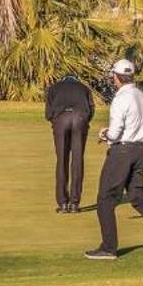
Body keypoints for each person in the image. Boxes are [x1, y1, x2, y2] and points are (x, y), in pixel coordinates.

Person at [86, 58, 143, 261]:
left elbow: (117, 130)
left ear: (116, 77)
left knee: (105, 200)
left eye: (113, 76)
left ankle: (109, 248)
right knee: (137, 198)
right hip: (140, 150)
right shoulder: (142, 97)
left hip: (122, 152)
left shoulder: (121, 99)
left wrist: (105, 134)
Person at [44, 72, 95, 212]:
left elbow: (48, 113)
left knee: (62, 160)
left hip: (60, 120)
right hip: (80, 119)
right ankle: (74, 203)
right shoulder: (84, 88)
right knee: (77, 161)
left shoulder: (54, 88)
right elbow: (91, 110)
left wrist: (55, 120)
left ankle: (63, 203)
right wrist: (84, 121)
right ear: (75, 79)